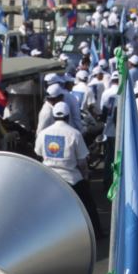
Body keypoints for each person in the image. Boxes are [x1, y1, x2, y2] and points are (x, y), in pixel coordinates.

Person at [34, 101, 102, 239]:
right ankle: (97, 233)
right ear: (68, 116)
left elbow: (39, 153)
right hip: (72, 178)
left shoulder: (43, 133)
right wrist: (86, 176)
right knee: (89, 206)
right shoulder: (74, 134)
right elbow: (82, 161)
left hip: (50, 177)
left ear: (54, 116)